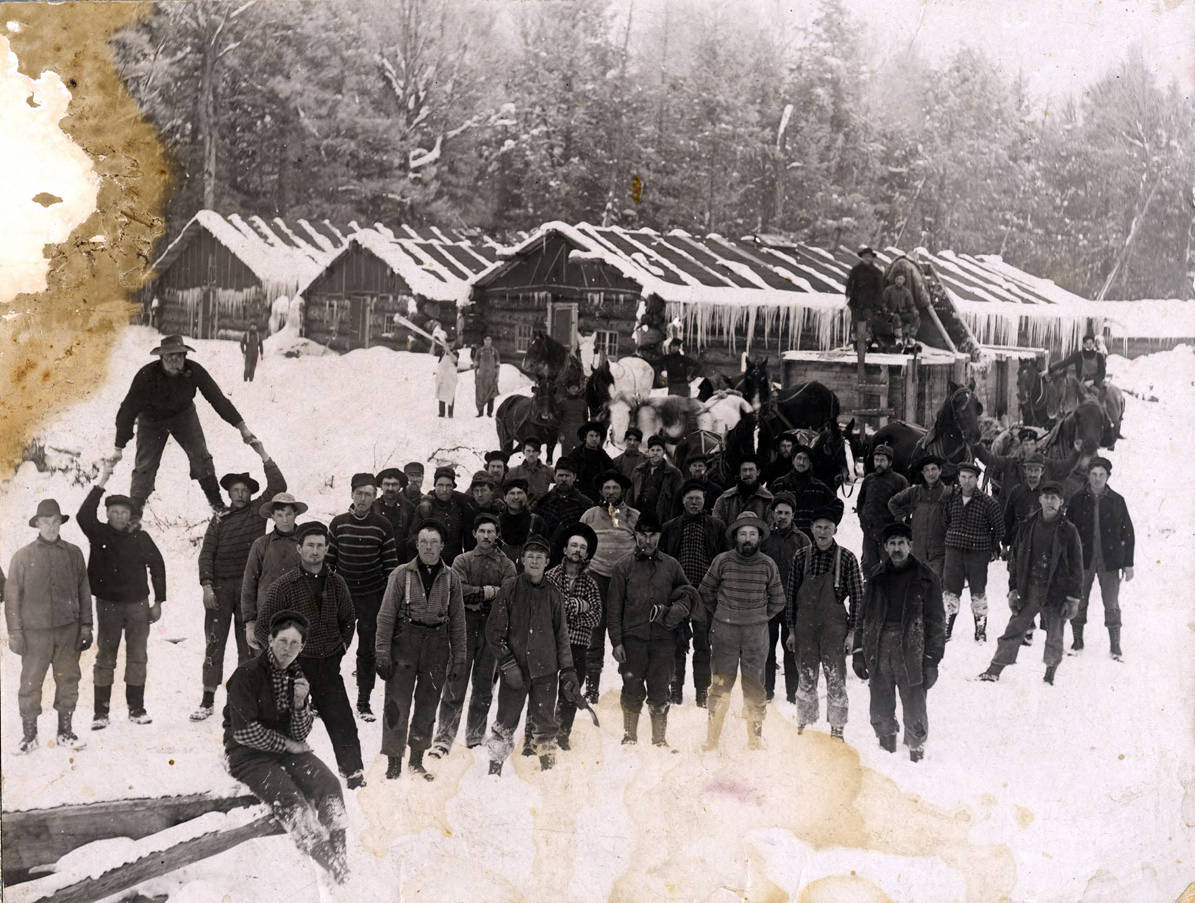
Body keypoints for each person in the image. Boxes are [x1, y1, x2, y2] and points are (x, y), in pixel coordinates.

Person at [224, 611, 348, 884]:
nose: (287, 650)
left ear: (302, 647)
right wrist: (287, 744)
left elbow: (300, 733)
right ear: (269, 639)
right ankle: (329, 864)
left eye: (295, 644)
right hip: (246, 755)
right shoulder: (247, 674)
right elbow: (244, 732)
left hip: (283, 751)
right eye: (283, 641)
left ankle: (341, 857)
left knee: (329, 785)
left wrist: (300, 703)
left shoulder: (296, 676)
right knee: (293, 801)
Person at [255, 522, 364, 788]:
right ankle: (278, 776)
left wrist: (340, 648)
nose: (315, 551)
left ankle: (353, 773)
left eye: (320, 545)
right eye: (310, 545)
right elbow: (261, 628)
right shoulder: (284, 586)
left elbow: (349, 620)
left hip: (328, 664)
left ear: (327, 548)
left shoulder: (337, 584)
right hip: (295, 666)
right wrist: (283, 658)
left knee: (342, 721)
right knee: (285, 722)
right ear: (299, 548)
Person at [112, 334, 262, 517]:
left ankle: (217, 505)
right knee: (145, 466)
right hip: (151, 421)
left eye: (179, 356)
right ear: (161, 358)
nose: (175, 361)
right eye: (170, 356)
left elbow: (218, 399)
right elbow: (127, 410)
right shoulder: (147, 375)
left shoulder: (194, 371)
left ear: (185, 357)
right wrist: (119, 445)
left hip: (184, 416)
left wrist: (242, 427)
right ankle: (134, 515)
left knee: (201, 457)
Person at [194, 447, 287, 721]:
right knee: (214, 643)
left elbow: (279, 487)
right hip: (220, 590)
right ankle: (207, 698)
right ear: (229, 493)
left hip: (249, 590)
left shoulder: (258, 512)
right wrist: (207, 586)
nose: (240, 494)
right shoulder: (219, 519)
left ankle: (243, 698)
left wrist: (264, 456)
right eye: (235, 490)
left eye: (245, 490)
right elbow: (206, 554)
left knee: (248, 645)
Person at [374, 522, 467, 781]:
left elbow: (458, 622)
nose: (428, 547)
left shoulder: (452, 579)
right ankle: (393, 761)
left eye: (433, 542)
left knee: (428, 704)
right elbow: (385, 616)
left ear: (442, 546)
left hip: (437, 646)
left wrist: (459, 658)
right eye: (423, 541)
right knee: (397, 703)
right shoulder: (400, 575)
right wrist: (382, 652)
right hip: (405, 643)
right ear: (416, 544)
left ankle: (416, 759)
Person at [77, 460, 166, 730]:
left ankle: (136, 708)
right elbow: (83, 515)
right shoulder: (98, 532)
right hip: (108, 606)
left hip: (138, 605)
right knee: (106, 655)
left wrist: (158, 601)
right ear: (107, 514)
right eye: (113, 512)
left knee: (138, 654)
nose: (118, 516)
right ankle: (100, 712)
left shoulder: (141, 538)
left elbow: (158, 566)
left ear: (130, 515)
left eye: (123, 512)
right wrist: (101, 483)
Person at [484, 535, 579, 775]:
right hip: (515, 670)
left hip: (545, 671)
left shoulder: (554, 594)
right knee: (505, 721)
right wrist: (507, 663)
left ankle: (548, 769)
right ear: (522, 560)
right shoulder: (510, 589)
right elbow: (494, 632)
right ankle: (494, 770)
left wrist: (567, 670)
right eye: (530, 557)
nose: (535, 562)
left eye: (540, 558)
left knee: (545, 723)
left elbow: (562, 636)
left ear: (547, 562)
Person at [852, 521, 945, 762]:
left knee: (914, 707)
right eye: (892, 543)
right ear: (884, 547)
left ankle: (916, 753)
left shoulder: (927, 577)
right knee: (880, 707)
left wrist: (931, 660)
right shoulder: (876, 576)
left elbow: (936, 622)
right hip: (879, 647)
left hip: (912, 650)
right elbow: (863, 615)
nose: (897, 548)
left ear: (910, 545)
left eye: (901, 543)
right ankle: (887, 750)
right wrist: (859, 651)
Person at [428, 514, 517, 759]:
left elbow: (510, 595)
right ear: (475, 534)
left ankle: (475, 737)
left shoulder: (507, 565)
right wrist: (484, 592)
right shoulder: (462, 560)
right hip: (464, 627)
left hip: (492, 629)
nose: (487, 536)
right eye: (482, 532)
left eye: (491, 532)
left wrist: (491, 596)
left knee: (484, 686)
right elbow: (456, 590)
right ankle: (443, 739)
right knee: (454, 682)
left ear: (497, 534)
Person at [7, 499, 93, 753]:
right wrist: (15, 631)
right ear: (37, 524)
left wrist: (86, 625)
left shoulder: (73, 553)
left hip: (68, 629)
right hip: (35, 633)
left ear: (60, 523)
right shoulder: (22, 557)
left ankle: (65, 732)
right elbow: (12, 598)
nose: (51, 527)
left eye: (56, 521)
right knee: (31, 682)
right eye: (46, 522)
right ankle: (29, 736)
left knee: (68, 680)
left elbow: (84, 591)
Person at [977, 482, 1083, 685]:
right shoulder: (1027, 526)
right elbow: (1015, 561)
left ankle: (1050, 673)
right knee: (1015, 627)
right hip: (1031, 588)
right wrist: (1013, 588)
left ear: (1061, 502)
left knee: (1055, 633)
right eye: (1047, 497)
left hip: (1056, 590)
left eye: (1055, 498)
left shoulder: (1068, 531)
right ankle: (995, 669)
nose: (1050, 501)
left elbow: (1077, 567)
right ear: (1040, 499)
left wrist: (1073, 598)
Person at [697, 512, 786, 751]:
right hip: (725, 631)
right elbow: (705, 590)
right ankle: (712, 739)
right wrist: (722, 613)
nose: (748, 539)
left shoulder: (768, 564)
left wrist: (758, 617)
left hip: (755, 634)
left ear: (759, 538)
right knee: (720, 684)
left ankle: (755, 739)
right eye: (743, 534)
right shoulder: (722, 561)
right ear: (736, 537)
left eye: (752, 534)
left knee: (755, 685)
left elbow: (779, 599)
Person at [608, 512, 694, 748]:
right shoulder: (623, 567)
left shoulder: (671, 565)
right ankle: (629, 736)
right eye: (643, 535)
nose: (648, 541)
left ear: (660, 536)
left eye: (653, 535)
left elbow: (687, 594)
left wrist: (676, 610)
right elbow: (613, 608)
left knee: (660, 688)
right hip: (632, 640)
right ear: (635, 536)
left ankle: (659, 739)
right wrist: (616, 641)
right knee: (632, 687)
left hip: (664, 640)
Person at [784, 502, 864, 739]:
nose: (822, 532)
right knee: (806, 677)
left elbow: (858, 599)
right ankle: (806, 723)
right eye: (818, 527)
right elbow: (791, 596)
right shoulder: (801, 557)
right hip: (805, 628)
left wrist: (851, 634)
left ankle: (837, 728)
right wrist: (791, 630)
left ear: (835, 530)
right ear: (812, 529)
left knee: (836, 679)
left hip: (834, 629)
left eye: (827, 528)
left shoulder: (847, 558)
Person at [327, 473, 400, 723]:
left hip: (372, 597)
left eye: (368, 494)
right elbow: (329, 563)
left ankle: (364, 702)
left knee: (367, 650)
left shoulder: (383, 526)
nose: (363, 498)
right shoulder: (338, 524)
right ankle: (321, 698)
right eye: (359, 493)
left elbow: (390, 566)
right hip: (343, 597)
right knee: (332, 647)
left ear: (375, 497)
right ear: (351, 494)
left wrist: (390, 599)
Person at [660, 481, 727, 707]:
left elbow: (723, 560)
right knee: (676, 643)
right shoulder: (670, 527)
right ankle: (676, 688)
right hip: (678, 593)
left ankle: (701, 691)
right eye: (690, 498)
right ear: (683, 501)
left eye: (698, 498)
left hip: (705, 594)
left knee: (702, 644)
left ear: (704, 500)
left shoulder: (716, 526)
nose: (694, 502)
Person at [1065, 457, 1135, 660]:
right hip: (1083, 561)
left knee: (1111, 603)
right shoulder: (1077, 500)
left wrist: (1128, 563)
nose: (1097, 479)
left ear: (1108, 477)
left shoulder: (1117, 500)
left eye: (1101, 475)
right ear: (1088, 476)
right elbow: (1068, 533)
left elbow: (1128, 533)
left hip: (1109, 562)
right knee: (1079, 600)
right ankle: (1077, 640)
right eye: (1094, 474)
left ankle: (1115, 645)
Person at [579, 470, 640, 702]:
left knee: (627, 631)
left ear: (622, 491)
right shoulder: (590, 515)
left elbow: (642, 544)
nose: (611, 492)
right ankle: (592, 686)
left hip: (626, 580)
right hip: (597, 577)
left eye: (615, 488)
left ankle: (629, 680)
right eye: (607, 488)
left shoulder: (633, 516)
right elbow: (580, 542)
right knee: (595, 630)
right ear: (601, 491)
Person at [545, 523, 602, 750]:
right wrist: (578, 607)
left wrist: (573, 609)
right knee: (544, 689)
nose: (577, 550)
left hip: (577, 646)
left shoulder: (591, 583)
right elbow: (545, 613)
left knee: (570, 690)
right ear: (565, 550)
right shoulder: (550, 577)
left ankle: (562, 733)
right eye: (574, 545)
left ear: (586, 554)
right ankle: (537, 733)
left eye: (582, 547)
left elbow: (596, 617)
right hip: (549, 643)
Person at [942, 461, 1003, 643]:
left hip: (978, 553)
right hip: (954, 551)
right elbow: (945, 521)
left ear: (977, 479)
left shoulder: (988, 503)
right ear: (958, 478)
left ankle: (980, 628)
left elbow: (999, 529)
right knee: (951, 591)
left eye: (970, 477)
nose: (966, 481)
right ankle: (947, 627)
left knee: (978, 591)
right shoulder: (951, 499)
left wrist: (988, 548)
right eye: (963, 477)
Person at [760, 493, 810, 704]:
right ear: (773, 513)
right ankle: (766, 691)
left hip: (793, 603)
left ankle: (793, 693)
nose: (782, 517)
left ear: (793, 515)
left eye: (786, 513)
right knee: (767, 648)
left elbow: (809, 572)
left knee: (791, 649)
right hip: (769, 603)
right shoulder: (765, 539)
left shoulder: (802, 540)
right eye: (779, 512)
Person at [242, 492, 308, 652]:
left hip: (301, 618)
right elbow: (249, 584)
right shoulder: (261, 545)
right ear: (272, 516)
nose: (285, 519)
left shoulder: (307, 544)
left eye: (288, 514)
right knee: (268, 670)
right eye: (279, 515)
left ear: (296, 514)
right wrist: (250, 623)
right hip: (268, 620)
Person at [887, 455, 949, 582]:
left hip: (939, 554)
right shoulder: (915, 492)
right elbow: (893, 502)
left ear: (940, 470)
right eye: (927, 470)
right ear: (922, 472)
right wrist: (902, 517)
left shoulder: (948, 493)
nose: (930, 473)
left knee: (935, 590)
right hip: (917, 552)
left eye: (934, 469)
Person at [856, 444, 908, 581]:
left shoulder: (899, 481)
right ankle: (870, 592)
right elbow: (861, 502)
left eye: (882, 460)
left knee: (891, 565)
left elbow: (905, 507)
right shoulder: (868, 480)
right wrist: (863, 520)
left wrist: (897, 528)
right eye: (876, 460)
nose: (878, 463)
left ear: (890, 462)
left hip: (889, 535)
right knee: (868, 566)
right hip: (869, 532)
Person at [411, 465, 477, 564]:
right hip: (430, 562)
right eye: (440, 485)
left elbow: (468, 539)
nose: (444, 489)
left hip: (454, 563)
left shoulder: (460, 506)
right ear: (435, 486)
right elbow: (412, 538)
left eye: (448, 486)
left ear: (453, 487)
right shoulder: (425, 507)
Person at [770, 444, 837, 537]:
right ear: (793, 461)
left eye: (805, 459)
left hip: (810, 539)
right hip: (782, 538)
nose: (801, 462)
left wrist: (827, 524)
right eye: (799, 458)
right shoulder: (779, 484)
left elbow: (837, 504)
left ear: (810, 463)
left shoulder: (819, 487)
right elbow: (767, 507)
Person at [533, 458, 595, 541]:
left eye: (567, 476)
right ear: (554, 477)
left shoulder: (585, 503)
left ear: (574, 477)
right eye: (560, 475)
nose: (564, 479)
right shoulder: (543, 502)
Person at [629, 434, 684, 525]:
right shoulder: (638, 471)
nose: (655, 453)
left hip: (663, 519)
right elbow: (630, 496)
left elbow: (678, 500)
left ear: (663, 452)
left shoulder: (674, 473)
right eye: (652, 450)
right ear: (648, 452)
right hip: (640, 516)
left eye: (658, 450)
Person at [845, 247, 887, 361]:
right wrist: (849, 295)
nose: (867, 259)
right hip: (856, 303)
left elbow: (880, 290)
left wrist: (878, 303)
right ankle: (855, 345)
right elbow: (849, 285)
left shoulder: (877, 272)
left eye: (869, 257)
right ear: (862, 257)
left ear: (872, 258)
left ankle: (867, 346)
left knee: (868, 325)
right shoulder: (855, 270)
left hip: (870, 304)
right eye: (865, 256)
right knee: (856, 324)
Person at [711, 455, 774, 526]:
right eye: (744, 470)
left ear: (758, 472)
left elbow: (771, 530)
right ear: (739, 473)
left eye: (751, 470)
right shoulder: (724, 499)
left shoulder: (768, 500)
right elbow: (716, 528)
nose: (747, 474)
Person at [373, 468, 417, 562]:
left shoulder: (409, 508)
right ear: (381, 486)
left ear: (400, 486)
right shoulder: (372, 507)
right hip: (377, 560)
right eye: (386, 484)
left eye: (394, 484)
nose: (390, 488)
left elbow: (412, 538)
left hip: (401, 560)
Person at [498, 478, 545, 563]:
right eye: (512, 493)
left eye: (520, 493)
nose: (516, 497)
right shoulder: (497, 522)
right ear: (505, 497)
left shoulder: (536, 522)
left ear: (526, 496)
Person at [569, 421, 615, 496]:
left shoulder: (603, 455)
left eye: (597, 436)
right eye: (591, 436)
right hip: (579, 493)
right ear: (585, 437)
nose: (594, 439)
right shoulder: (576, 454)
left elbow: (611, 470)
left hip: (598, 493)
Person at [507, 438, 554, 505]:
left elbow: (561, 480)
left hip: (542, 509)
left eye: (534, 451)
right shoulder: (514, 471)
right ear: (523, 452)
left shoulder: (548, 471)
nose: (531, 454)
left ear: (539, 453)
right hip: (521, 508)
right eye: (528, 451)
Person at [882, 272, 919, 351]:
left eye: (901, 279)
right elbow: (883, 303)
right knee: (896, 317)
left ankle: (911, 338)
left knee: (916, 318)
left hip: (903, 313)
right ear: (895, 280)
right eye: (898, 279)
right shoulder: (888, 290)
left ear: (904, 281)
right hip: (890, 314)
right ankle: (898, 340)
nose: (899, 281)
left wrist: (914, 311)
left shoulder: (906, 292)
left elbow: (911, 304)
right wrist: (886, 310)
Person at [474, 335, 501, 417]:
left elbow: (498, 366)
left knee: (491, 395)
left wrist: (497, 377)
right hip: (482, 378)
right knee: (480, 395)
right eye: (486, 340)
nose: (487, 341)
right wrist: (476, 376)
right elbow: (475, 365)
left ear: (491, 341)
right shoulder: (479, 351)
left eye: (489, 340)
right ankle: (480, 412)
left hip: (491, 377)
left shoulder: (495, 352)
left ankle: (489, 413)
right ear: (483, 340)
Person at [435, 346, 460, 418]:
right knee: (441, 393)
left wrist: (449, 351)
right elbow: (440, 362)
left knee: (450, 394)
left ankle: (450, 413)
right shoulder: (442, 353)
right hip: (443, 376)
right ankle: (441, 413)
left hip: (451, 377)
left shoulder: (456, 352)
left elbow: (455, 360)